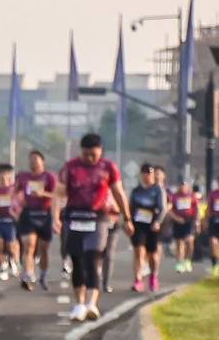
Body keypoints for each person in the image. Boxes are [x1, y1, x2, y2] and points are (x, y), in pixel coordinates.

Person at [60, 133, 122, 321]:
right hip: (75, 218)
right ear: (81, 151)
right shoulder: (71, 167)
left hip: (98, 219)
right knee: (77, 261)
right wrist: (56, 216)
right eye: (86, 154)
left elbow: (118, 193)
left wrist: (126, 217)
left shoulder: (108, 168)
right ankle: (79, 304)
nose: (89, 158)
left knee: (92, 260)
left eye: (93, 155)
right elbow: (59, 193)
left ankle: (91, 304)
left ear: (100, 151)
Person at [17, 148, 59, 292]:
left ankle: (43, 275)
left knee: (43, 248)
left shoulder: (49, 177)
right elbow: (14, 192)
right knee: (29, 245)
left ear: (43, 161)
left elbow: (56, 195)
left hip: (44, 214)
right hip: (28, 213)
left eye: (35, 159)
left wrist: (43, 194)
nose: (32, 162)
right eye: (30, 159)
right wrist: (17, 201)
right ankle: (28, 274)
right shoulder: (23, 176)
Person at [128, 160, 168, 294]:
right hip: (138, 224)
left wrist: (158, 222)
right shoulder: (136, 191)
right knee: (139, 251)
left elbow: (162, 208)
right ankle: (138, 280)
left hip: (152, 225)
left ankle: (153, 276)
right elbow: (130, 207)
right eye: (144, 173)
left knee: (152, 254)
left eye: (149, 173)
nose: (147, 176)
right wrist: (127, 222)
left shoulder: (158, 190)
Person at [0, 160, 22, 281]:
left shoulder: (14, 189)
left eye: (6, 173)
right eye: (1, 173)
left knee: (10, 246)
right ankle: (2, 268)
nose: (4, 176)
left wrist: (16, 212)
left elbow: (20, 202)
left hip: (10, 221)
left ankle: (13, 262)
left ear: (10, 175)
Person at [168, 170, 201, 271]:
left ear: (188, 186)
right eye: (181, 185)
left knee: (189, 241)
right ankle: (180, 263)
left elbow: (197, 209)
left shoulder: (192, 196)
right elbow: (169, 210)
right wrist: (176, 218)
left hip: (189, 221)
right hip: (178, 222)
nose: (183, 187)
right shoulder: (174, 196)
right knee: (179, 243)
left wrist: (197, 222)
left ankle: (188, 260)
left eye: (185, 185)